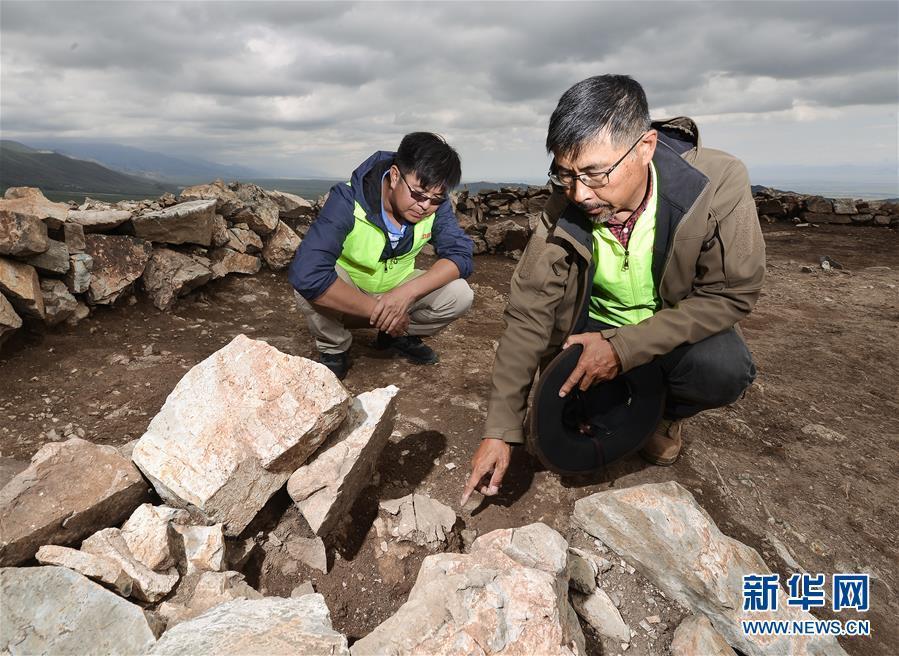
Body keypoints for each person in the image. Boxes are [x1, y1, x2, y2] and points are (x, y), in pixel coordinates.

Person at [461, 75, 765, 505]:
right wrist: (500, 430)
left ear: (645, 148)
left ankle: (664, 417)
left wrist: (622, 348)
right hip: (591, 328)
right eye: (566, 174)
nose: (580, 193)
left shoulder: (716, 184)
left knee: (723, 367)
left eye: (595, 173)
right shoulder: (564, 204)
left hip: (669, 327)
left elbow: (733, 294)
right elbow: (528, 312)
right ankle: (610, 400)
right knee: (557, 422)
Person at [289, 132, 474, 379]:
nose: (425, 206)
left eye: (436, 199)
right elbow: (307, 273)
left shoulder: (432, 206)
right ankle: (334, 347)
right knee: (306, 283)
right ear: (396, 175)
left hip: (398, 290)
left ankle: (397, 336)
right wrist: (382, 312)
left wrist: (406, 294)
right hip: (348, 296)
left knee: (460, 294)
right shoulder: (348, 199)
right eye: (418, 194)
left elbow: (461, 254)